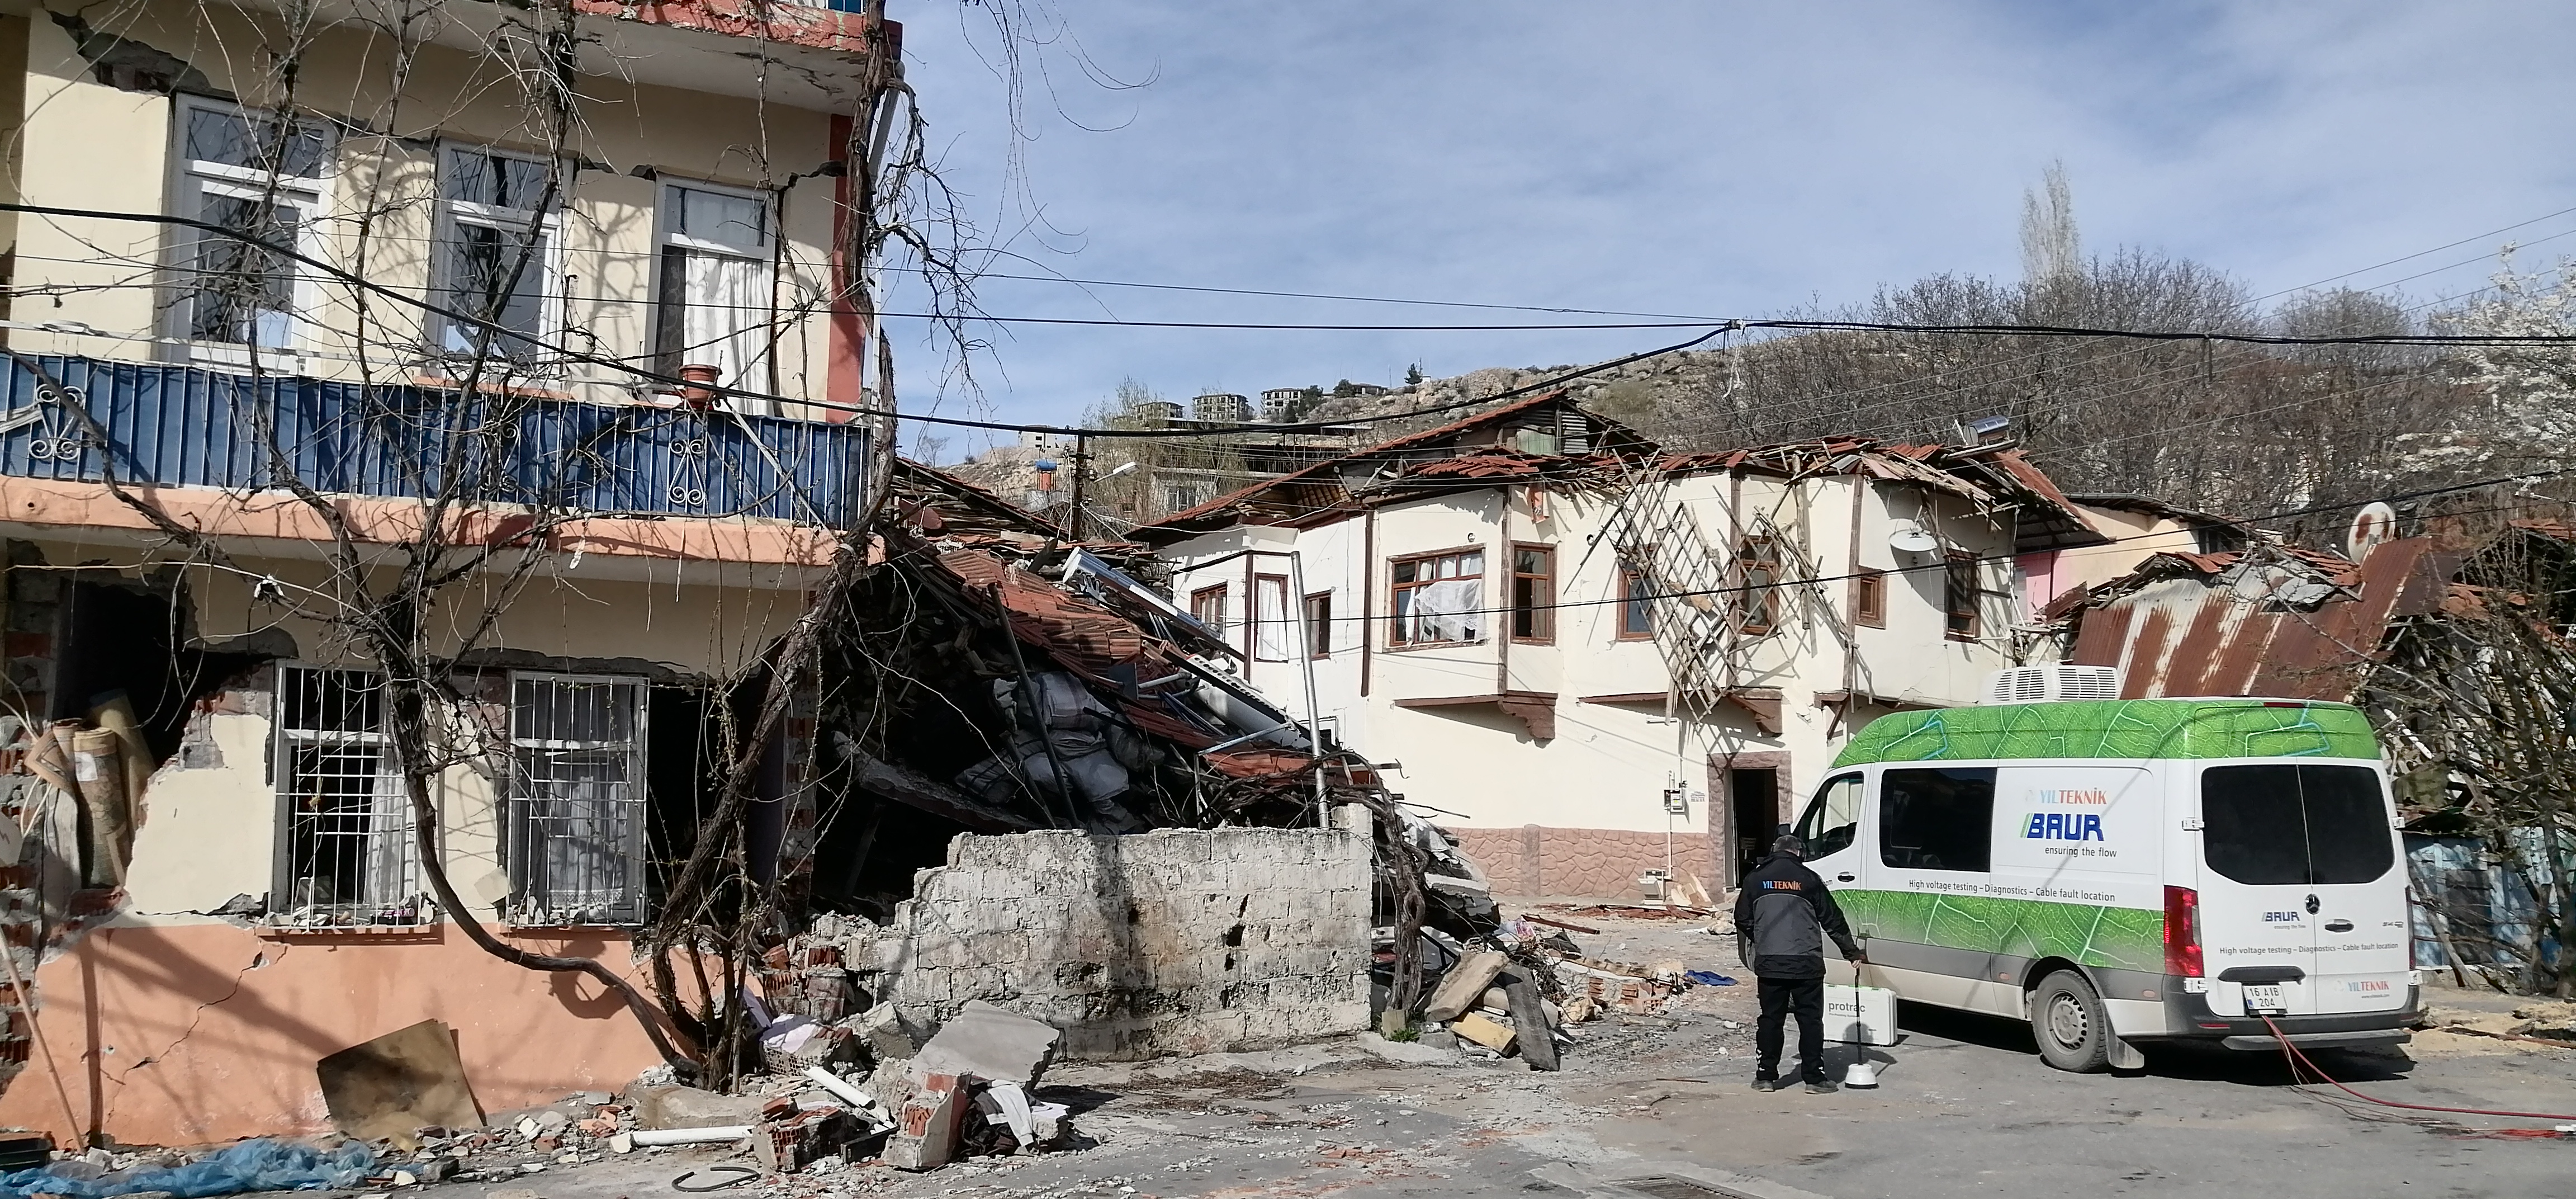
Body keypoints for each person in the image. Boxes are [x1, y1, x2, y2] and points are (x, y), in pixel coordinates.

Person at [1733, 833, 1865, 1092]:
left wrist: (1762, 938)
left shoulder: (1755, 879)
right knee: (1810, 1021)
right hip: (1807, 964)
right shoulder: (1810, 879)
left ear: (1775, 851)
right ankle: (1815, 1079)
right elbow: (1833, 920)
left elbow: (1742, 918)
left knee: (1771, 1020)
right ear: (1800, 853)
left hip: (1771, 964)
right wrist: (1851, 953)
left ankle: (1765, 1077)